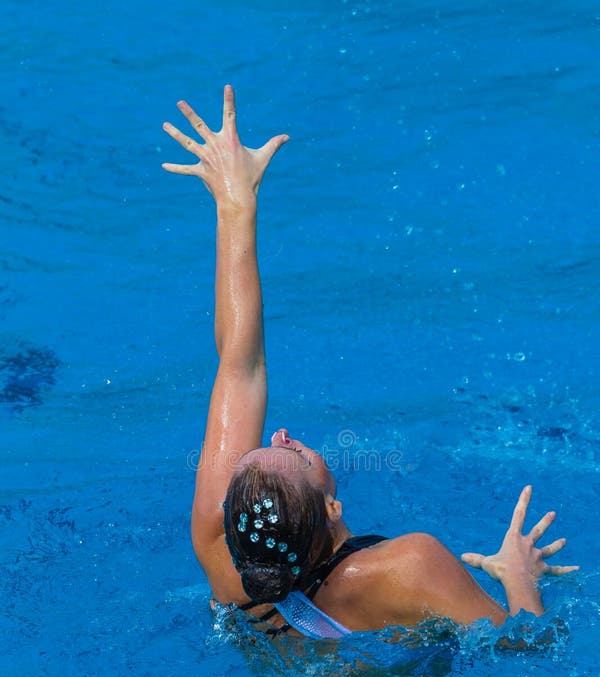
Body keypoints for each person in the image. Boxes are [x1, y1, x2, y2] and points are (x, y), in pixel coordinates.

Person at [162, 86, 578, 639]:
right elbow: (527, 649)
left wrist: (234, 202)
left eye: (267, 446)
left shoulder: (220, 554)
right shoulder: (406, 569)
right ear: (331, 507)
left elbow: (239, 365)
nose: (283, 435)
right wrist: (518, 575)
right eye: (296, 455)